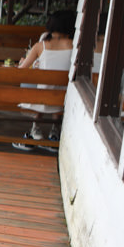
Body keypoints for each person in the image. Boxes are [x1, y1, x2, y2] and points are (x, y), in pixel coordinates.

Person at [12, 10, 76, 152]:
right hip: (63, 101)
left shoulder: (40, 46)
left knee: (40, 88)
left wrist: (23, 62)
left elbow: (20, 71)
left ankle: (36, 129)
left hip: (39, 100)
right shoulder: (74, 46)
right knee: (55, 88)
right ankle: (54, 130)